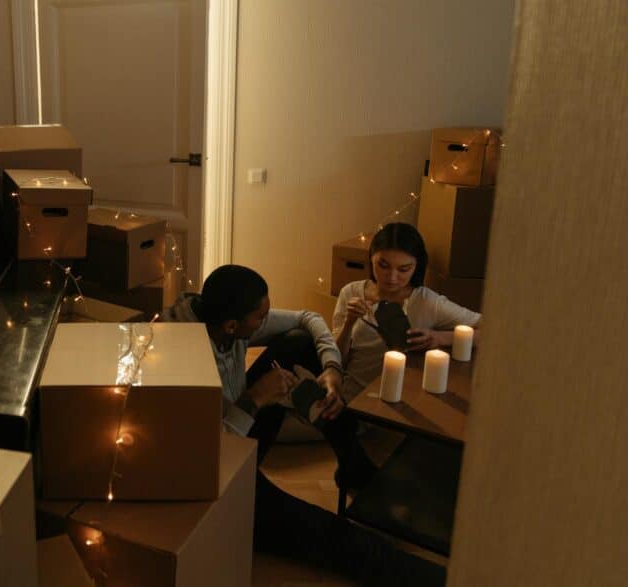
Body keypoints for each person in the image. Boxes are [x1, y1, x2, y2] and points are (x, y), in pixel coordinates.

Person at [163, 264, 446, 586]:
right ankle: (430, 578)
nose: (265, 322)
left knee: (299, 340)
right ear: (231, 325)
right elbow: (203, 459)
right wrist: (254, 399)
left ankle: (353, 467)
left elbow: (307, 317)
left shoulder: (218, 318)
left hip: (235, 431)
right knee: (326, 534)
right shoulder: (178, 360)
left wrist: (332, 369)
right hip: (213, 474)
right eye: (260, 318)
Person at [334, 222, 482, 403]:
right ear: (371, 258)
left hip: (399, 402)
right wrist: (349, 322)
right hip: (350, 397)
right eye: (383, 265)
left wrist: (439, 337)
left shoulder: (427, 302)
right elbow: (336, 361)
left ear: (417, 267)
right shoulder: (351, 293)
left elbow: (489, 332)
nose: (391, 277)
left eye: (403, 269)